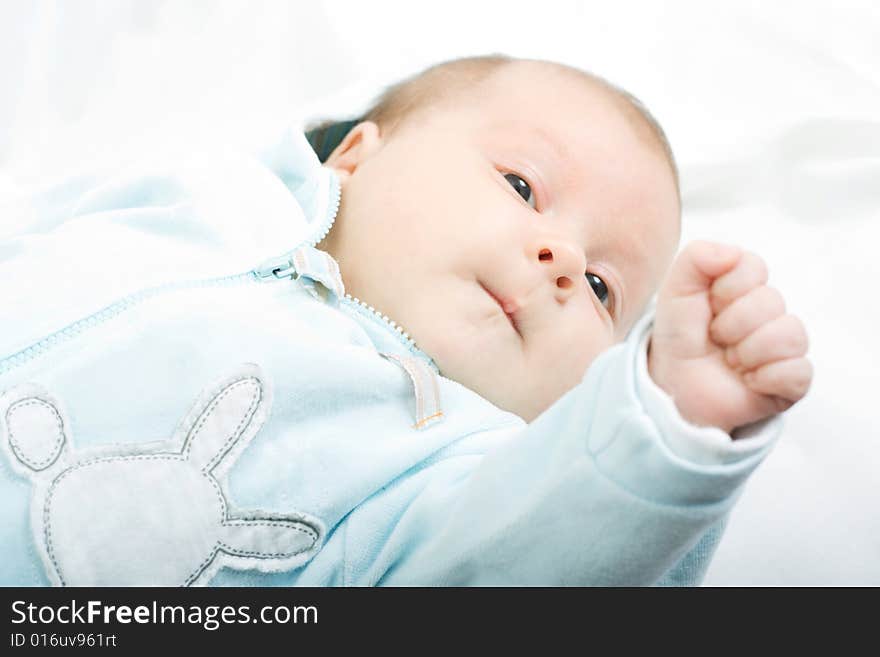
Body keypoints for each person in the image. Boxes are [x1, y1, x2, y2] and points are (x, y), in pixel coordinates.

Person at [0, 54, 810, 586]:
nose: (564, 258)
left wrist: (666, 439)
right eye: (523, 187)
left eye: (603, 289)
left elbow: (542, 562)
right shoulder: (204, 190)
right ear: (355, 154)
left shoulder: (449, 481)